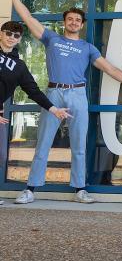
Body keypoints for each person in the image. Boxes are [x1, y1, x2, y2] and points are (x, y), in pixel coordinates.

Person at [3, 0, 122, 204]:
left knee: (79, 144)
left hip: (77, 94)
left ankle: (80, 189)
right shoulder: (52, 39)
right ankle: (30, 189)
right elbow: (28, 18)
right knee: (43, 142)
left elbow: (109, 69)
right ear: (65, 23)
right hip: (53, 93)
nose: (73, 23)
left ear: (81, 25)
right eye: (69, 19)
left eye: (77, 20)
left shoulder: (87, 47)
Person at [0, 20, 71, 205]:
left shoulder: (19, 66)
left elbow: (33, 91)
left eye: (16, 35)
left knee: (1, 154)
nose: (11, 38)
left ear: (19, 39)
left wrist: (54, 109)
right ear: (1, 33)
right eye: (8, 33)